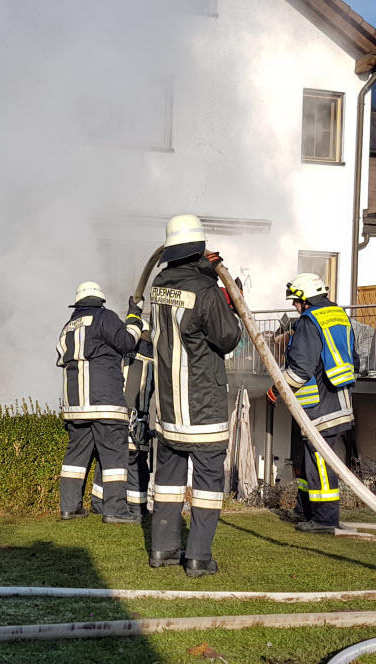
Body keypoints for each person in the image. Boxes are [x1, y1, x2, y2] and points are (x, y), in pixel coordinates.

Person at [149, 214, 241, 578]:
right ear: (200, 250)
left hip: (169, 407)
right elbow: (228, 337)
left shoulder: (159, 284)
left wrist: (204, 269)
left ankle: (162, 550)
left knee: (168, 483)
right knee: (206, 485)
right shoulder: (204, 290)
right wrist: (221, 288)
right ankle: (199, 558)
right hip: (203, 405)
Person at [267, 272, 356, 534]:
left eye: (296, 301)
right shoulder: (339, 314)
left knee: (319, 462)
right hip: (339, 400)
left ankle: (324, 520)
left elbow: (300, 370)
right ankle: (305, 510)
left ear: (306, 298)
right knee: (309, 459)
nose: (295, 307)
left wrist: (277, 390)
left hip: (319, 406)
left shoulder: (308, 320)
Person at [56, 280, 143, 523]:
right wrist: (135, 315)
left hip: (75, 406)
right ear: (100, 301)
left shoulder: (67, 327)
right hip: (105, 402)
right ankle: (115, 509)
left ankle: (69, 508)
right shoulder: (105, 318)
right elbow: (127, 342)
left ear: (78, 303)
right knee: (115, 455)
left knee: (76, 456)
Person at [90, 327, 155, 519]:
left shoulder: (119, 352)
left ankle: (98, 502)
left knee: (107, 460)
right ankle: (137, 508)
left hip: (114, 414)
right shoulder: (152, 358)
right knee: (135, 463)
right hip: (137, 419)